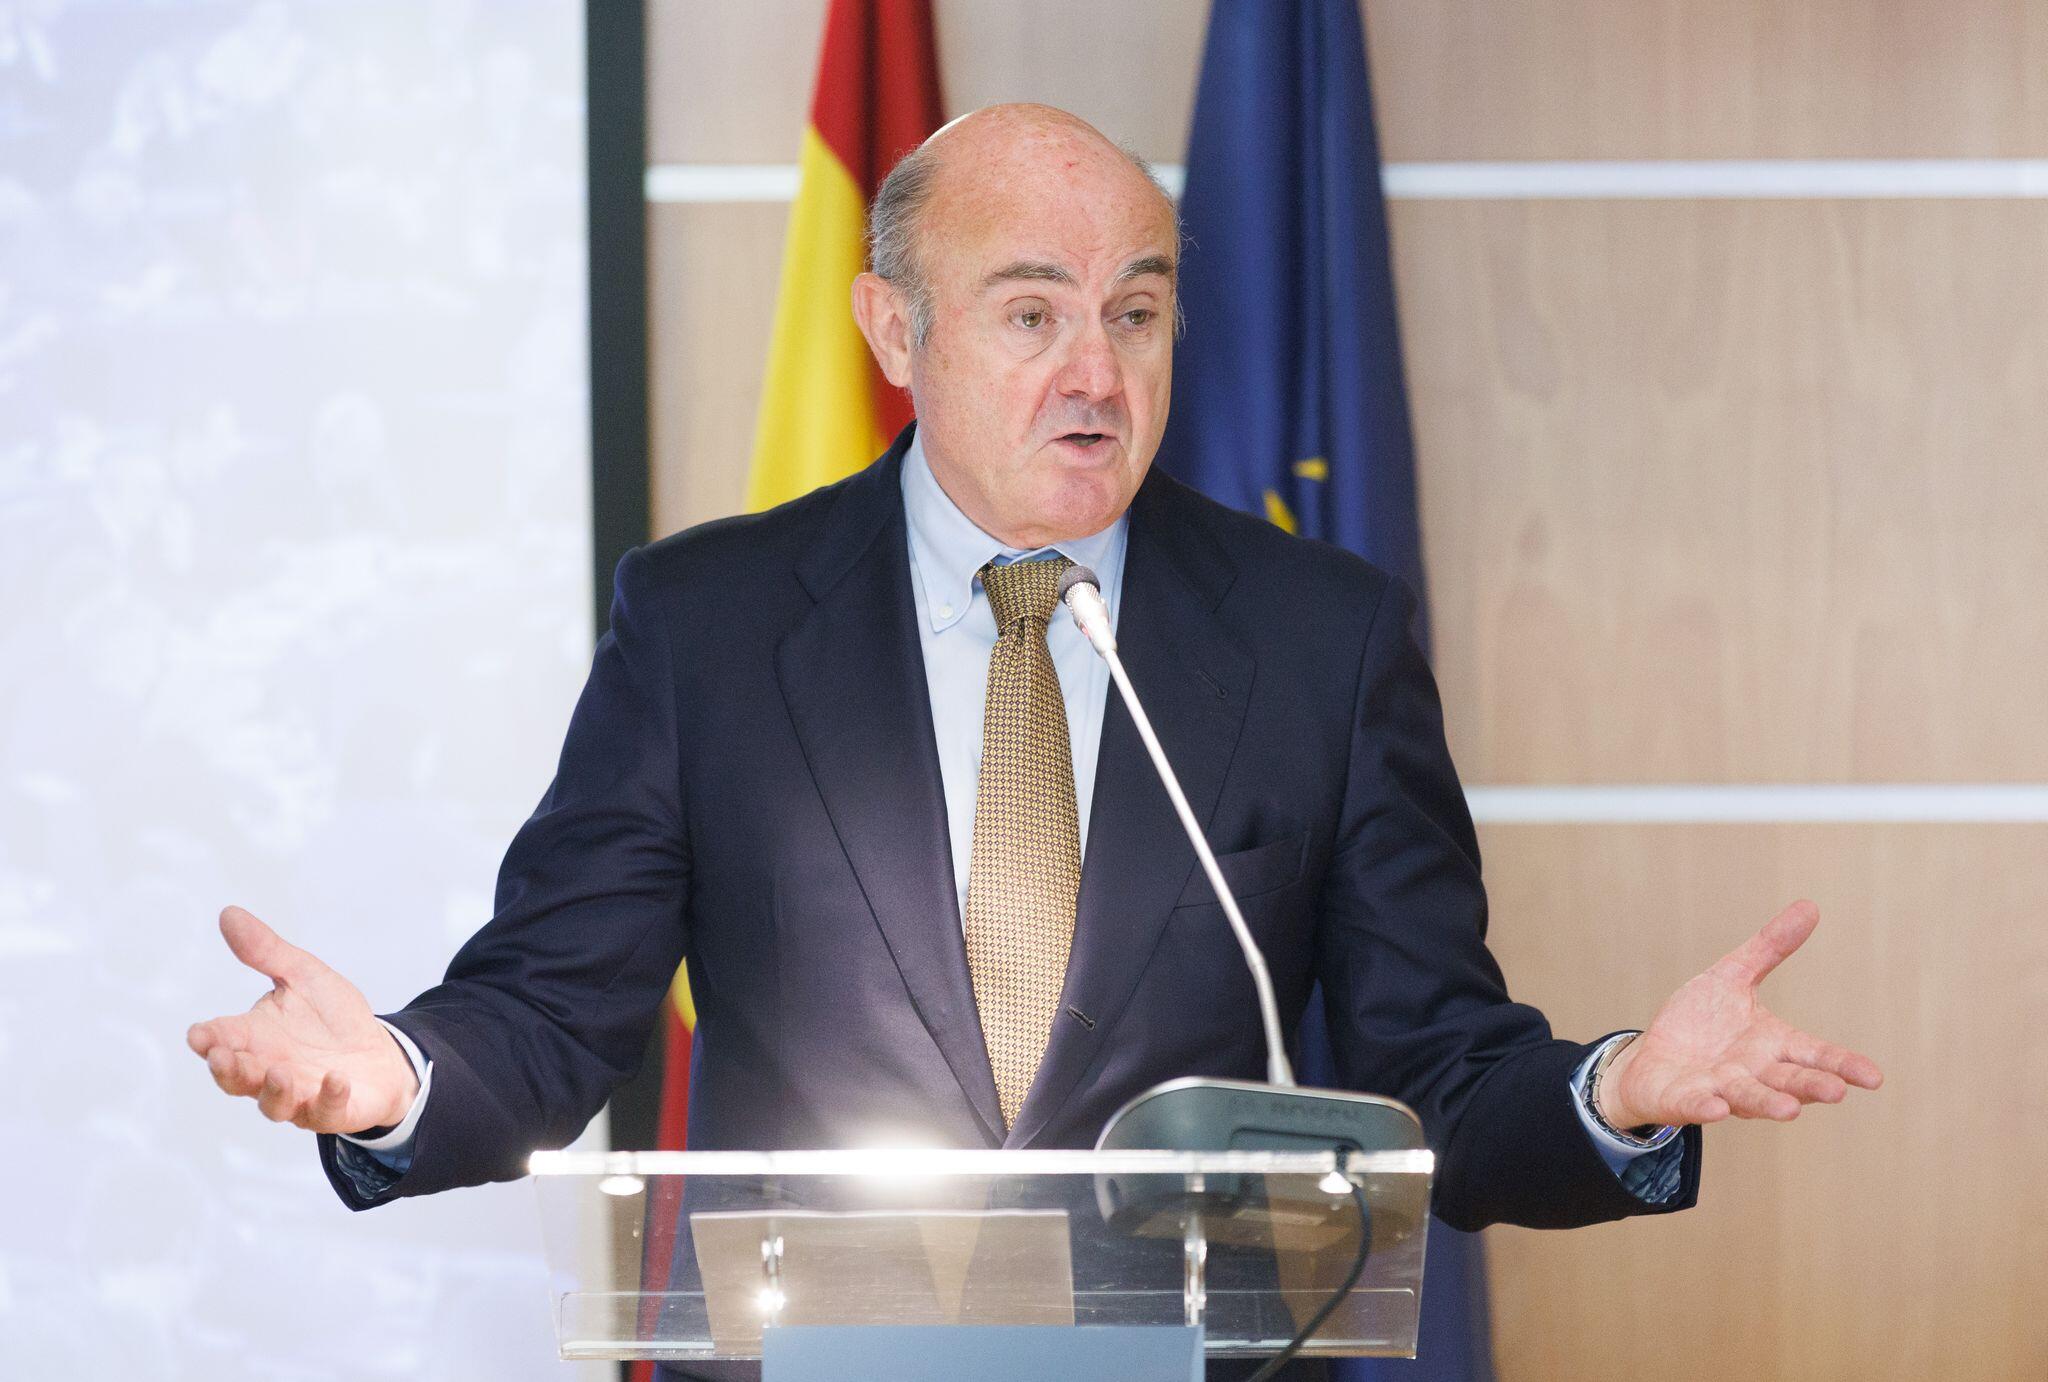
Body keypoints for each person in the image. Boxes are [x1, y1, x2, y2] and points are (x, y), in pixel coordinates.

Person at [187, 103, 1882, 1370]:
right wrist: (394, 1079)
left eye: (1135, 312)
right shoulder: (707, 624)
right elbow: (553, 1013)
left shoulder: (1321, 637)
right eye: (1030, 312)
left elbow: (1434, 1066)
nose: (1096, 372)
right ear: (894, 329)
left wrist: (1614, 1091)